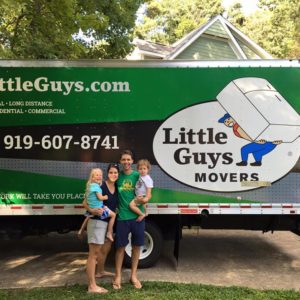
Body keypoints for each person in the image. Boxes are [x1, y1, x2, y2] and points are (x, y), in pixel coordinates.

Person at [113, 150, 149, 290]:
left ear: (132, 161)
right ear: (120, 162)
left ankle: (133, 275)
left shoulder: (137, 175)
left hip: (137, 218)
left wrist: (145, 209)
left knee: (136, 247)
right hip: (122, 217)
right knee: (120, 248)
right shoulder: (117, 176)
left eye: (128, 159)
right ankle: (117, 276)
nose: (126, 162)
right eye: (123, 160)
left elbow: (146, 191)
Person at [83, 163, 119, 294]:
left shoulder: (116, 187)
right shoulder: (100, 186)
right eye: (111, 172)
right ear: (107, 174)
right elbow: (85, 202)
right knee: (93, 255)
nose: (113, 175)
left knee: (104, 250)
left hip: (106, 222)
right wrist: (92, 210)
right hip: (97, 222)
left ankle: (101, 271)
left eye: (116, 172)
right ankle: (92, 286)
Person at [78, 168, 116, 242]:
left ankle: (81, 230)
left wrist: (91, 210)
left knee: (88, 217)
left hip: (93, 207)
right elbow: (100, 197)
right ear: (92, 177)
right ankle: (109, 232)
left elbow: (87, 199)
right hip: (99, 208)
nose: (99, 176)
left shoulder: (90, 186)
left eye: (100, 175)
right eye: (97, 175)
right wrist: (105, 197)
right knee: (113, 215)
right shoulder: (97, 187)